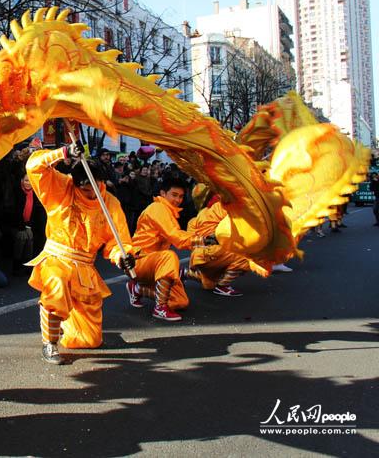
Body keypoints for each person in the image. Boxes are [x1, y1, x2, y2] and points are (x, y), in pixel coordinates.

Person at [25, 144, 134, 364]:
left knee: (88, 341)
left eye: (96, 186)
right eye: (85, 189)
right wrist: (62, 153)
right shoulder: (61, 187)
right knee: (57, 283)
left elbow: (117, 241)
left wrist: (123, 256)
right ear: (75, 184)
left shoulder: (110, 203)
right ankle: (50, 342)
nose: (92, 192)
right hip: (57, 257)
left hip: (85, 268)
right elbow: (34, 166)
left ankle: (66, 321)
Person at [127, 177, 211, 322]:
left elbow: (178, 235)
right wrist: (202, 240)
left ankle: (137, 289)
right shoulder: (157, 208)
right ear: (163, 193)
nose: (178, 200)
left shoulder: (169, 211)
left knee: (180, 302)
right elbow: (176, 236)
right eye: (174, 195)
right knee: (169, 256)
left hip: (155, 265)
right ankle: (160, 308)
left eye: (181, 196)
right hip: (139, 262)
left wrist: (205, 239)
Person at [184, 186, 267, 296]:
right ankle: (222, 286)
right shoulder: (225, 209)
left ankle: (185, 273)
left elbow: (190, 241)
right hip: (213, 252)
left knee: (209, 283)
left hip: (201, 257)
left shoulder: (196, 218)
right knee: (248, 256)